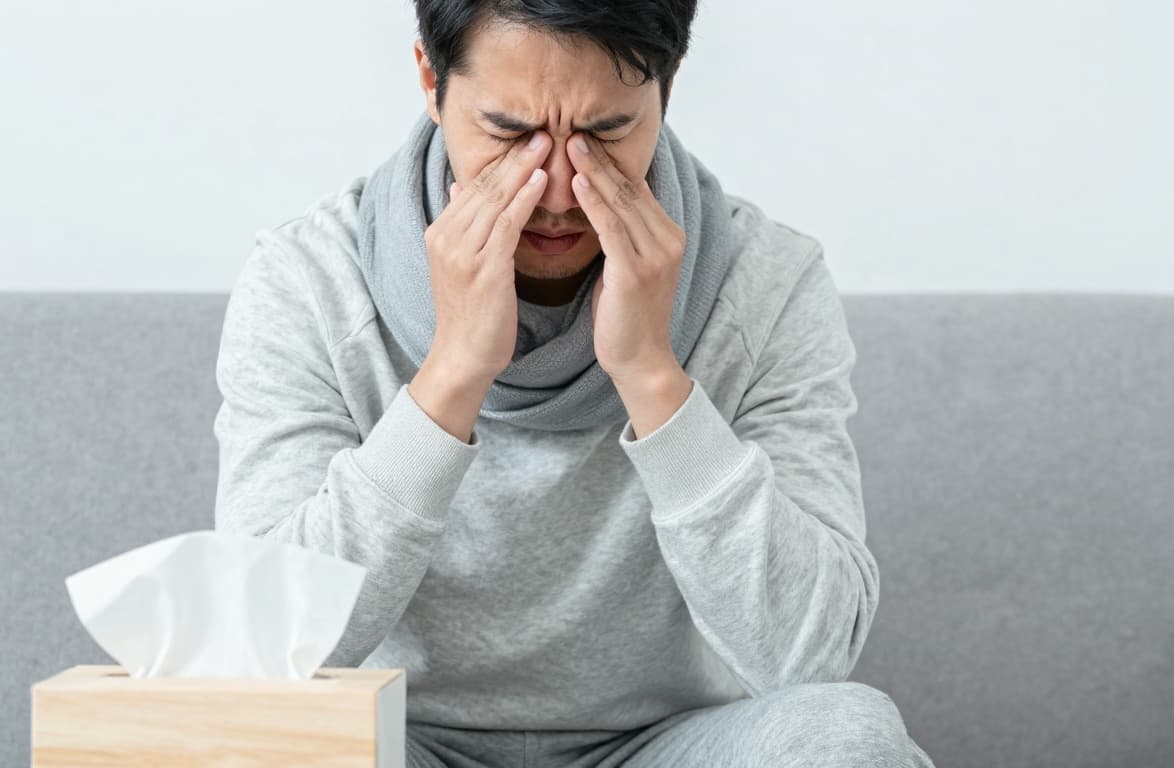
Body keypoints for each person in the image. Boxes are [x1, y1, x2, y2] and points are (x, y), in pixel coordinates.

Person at [212, 1, 936, 766]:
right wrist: (452, 373)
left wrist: (651, 374)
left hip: (668, 747)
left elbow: (809, 655)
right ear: (430, 79)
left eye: (606, 132)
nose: (557, 192)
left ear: (668, 86)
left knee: (847, 734)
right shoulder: (309, 279)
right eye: (508, 132)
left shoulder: (766, 282)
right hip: (398, 741)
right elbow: (264, 644)